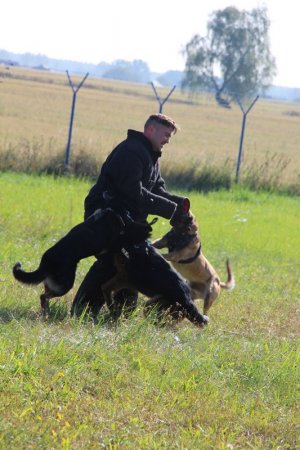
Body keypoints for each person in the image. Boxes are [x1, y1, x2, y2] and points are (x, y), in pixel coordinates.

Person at [71, 113, 194, 319]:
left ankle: (120, 313)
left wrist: (180, 205)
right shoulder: (131, 152)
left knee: (132, 263)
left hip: (126, 221)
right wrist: (169, 210)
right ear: (151, 130)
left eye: (170, 136)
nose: (167, 140)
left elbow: (157, 190)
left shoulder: (151, 155)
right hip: (105, 215)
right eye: (165, 134)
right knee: (111, 260)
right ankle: (82, 310)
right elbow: (133, 191)